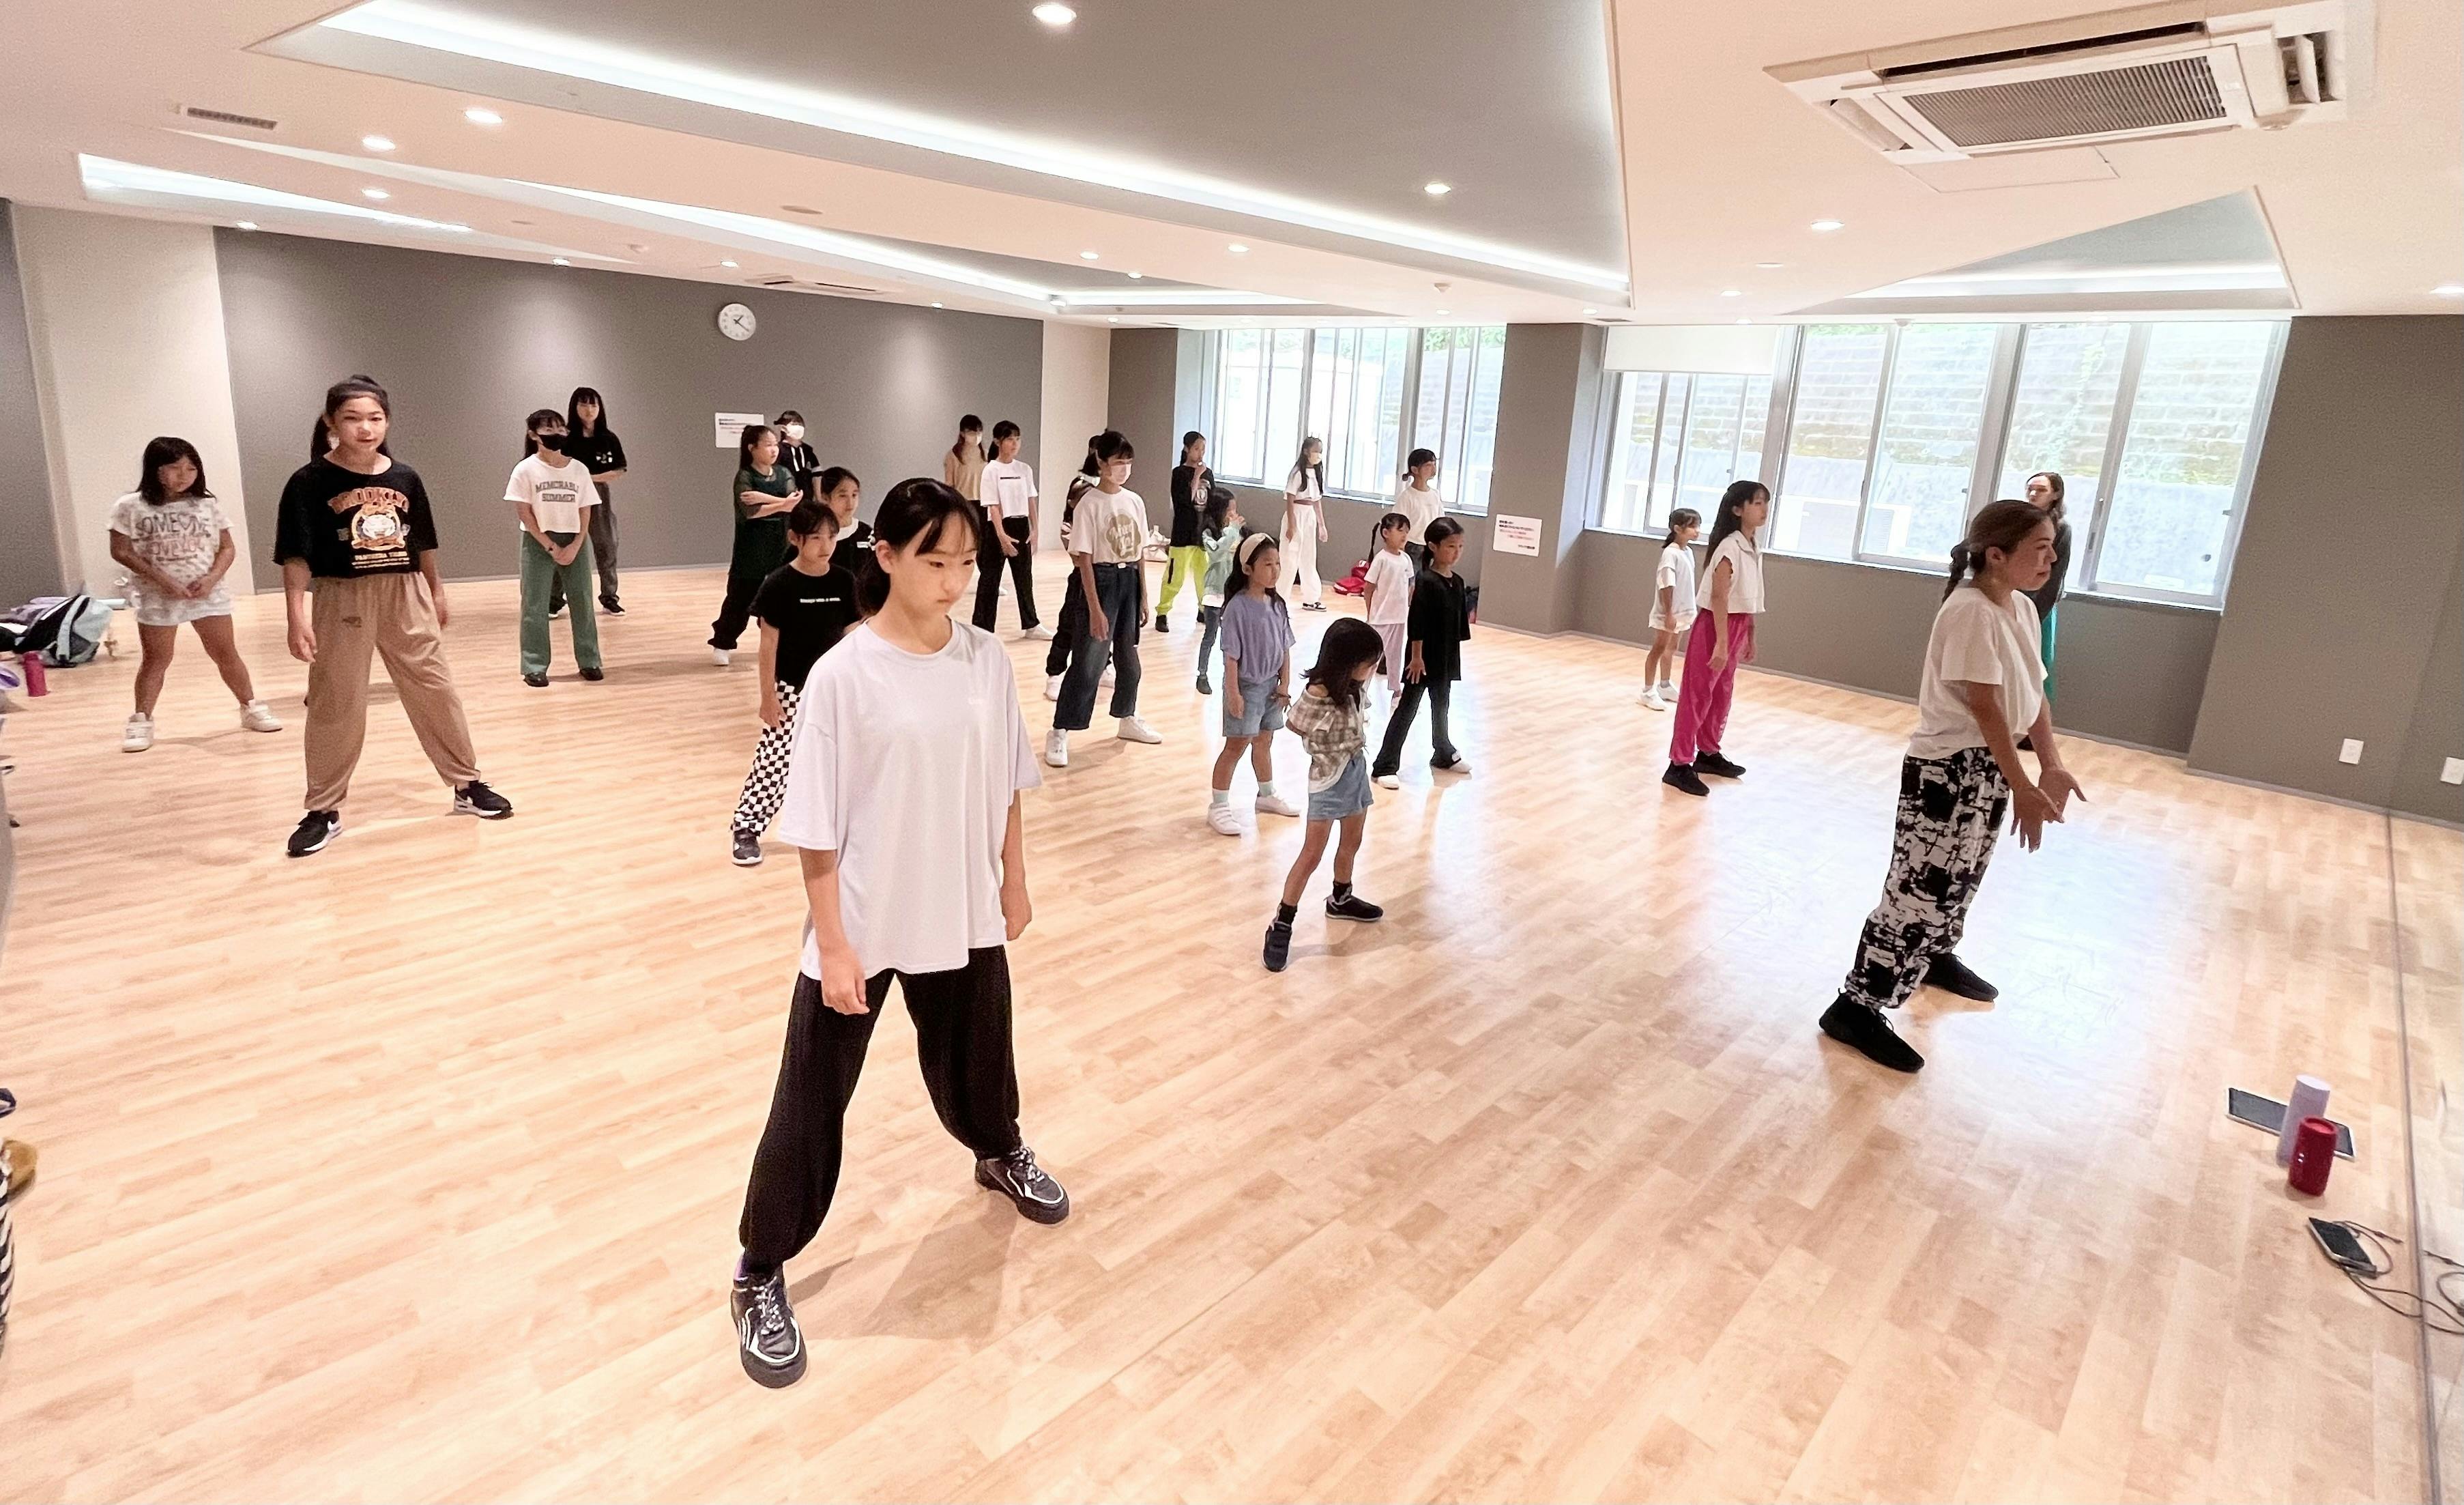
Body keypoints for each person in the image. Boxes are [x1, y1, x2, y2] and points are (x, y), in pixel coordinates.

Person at [729, 478, 1068, 1390]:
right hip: (865, 917)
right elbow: (814, 825)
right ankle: (759, 1266)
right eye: (935, 561)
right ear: (883, 556)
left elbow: (1006, 777)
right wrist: (835, 944)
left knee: (981, 1055)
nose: (954, 581)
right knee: (811, 1098)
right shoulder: (844, 674)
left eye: (967, 562)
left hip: (960, 903)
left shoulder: (984, 659)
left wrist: (1013, 876)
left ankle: (997, 1151)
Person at [1818, 500, 2086, 1074]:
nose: (2050, 559)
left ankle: (1933, 954)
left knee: (1962, 876)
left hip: (1988, 766)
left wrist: (2050, 763)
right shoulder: (1969, 611)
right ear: (1997, 554)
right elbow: (1985, 706)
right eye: (2039, 548)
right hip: (1947, 772)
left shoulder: (2020, 607)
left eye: (2052, 548)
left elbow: (2032, 693)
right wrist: (2021, 783)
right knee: (1916, 890)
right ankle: (1855, 1005)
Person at [274, 376, 511, 858]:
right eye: (352, 418)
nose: (365, 428)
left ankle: (466, 783)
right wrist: (296, 615)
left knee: (435, 688)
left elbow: (422, 541)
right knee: (337, 700)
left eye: (375, 418)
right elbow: (295, 554)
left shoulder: (405, 477)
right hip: (342, 596)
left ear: (387, 421)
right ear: (331, 422)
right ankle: (323, 809)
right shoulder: (308, 481)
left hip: (406, 591)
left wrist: (436, 590)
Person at [107, 436, 282, 752]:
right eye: (174, 468)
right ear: (155, 469)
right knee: (156, 660)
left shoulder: (207, 504)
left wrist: (212, 579)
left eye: (191, 468)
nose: (184, 475)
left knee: (226, 653)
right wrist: (162, 580)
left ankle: (250, 706)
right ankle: (141, 719)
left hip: (208, 595)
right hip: (158, 596)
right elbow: (121, 551)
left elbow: (227, 548)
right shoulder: (130, 506)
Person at [730, 500, 859, 868]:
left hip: (835, 691)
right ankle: (746, 828)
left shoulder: (844, 580)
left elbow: (853, 636)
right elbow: (767, 645)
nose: (826, 545)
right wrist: (767, 697)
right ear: (796, 539)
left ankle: (841, 830)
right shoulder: (779, 584)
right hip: (791, 689)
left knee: (842, 760)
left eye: (831, 537)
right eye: (816, 537)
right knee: (775, 760)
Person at [1263, 618, 1387, 971]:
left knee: (1352, 842)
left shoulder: (1354, 686)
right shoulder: (1318, 694)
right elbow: (1294, 723)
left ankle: (1341, 898)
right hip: (1327, 781)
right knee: (1312, 853)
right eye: (1370, 663)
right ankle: (1282, 921)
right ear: (1348, 662)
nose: (1373, 669)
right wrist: (1321, 737)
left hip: (1355, 771)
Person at [1045, 431, 1161, 766]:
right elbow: (1083, 559)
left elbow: (1139, 552)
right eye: (1117, 462)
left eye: (1128, 462)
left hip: (1129, 581)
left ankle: (1127, 716)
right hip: (1102, 579)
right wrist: (1095, 608)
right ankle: (1060, 729)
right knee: (1089, 661)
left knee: (1129, 658)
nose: (1124, 469)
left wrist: (1143, 596)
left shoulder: (1135, 501)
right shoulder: (1089, 503)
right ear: (1101, 462)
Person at [1662, 481, 1768, 797]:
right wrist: (1721, 643)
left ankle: (1707, 752)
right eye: (1757, 503)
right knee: (1697, 695)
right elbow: (1719, 597)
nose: (1764, 509)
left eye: (1765, 502)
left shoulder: (1752, 545)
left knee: (1721, 693)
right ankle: (1679, 764)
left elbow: (1746, 597)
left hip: (1735, 625)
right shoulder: (1729, 547)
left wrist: (1748, 634)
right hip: (1715, 625)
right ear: (1738, 509)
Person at [1206, 534, 1301, 836]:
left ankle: (1266, 794)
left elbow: (1285, 648)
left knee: (1264, 741)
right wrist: (1234, 694)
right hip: (1246, 687)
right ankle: (1219, 805)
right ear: (1248, 569)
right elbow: (1231, 658)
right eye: (1267, 564)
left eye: (1277, 564)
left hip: (1271, 688)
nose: (1275, 570)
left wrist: (1284, 684)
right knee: (1236, 745)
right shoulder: (1237, 608)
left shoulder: (1277, 604)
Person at [1370, 516, 1473, 786]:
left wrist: (1453, 659)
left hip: (1445, 658)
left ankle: (1443, 752)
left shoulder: (1458, 582)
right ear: (1433, 547)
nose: (1456, 552)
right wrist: (1416, 657)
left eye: (1460, 547)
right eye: (1451, 546)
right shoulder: (1426, 580)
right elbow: (1417, 622)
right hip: (1422, 659)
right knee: (1407, 709)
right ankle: (1385, 765)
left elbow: (1458, 626)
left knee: (1442, 707)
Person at [505, 408, 604, 687]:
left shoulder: (579, 469)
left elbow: (585, 509)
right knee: (535, 604)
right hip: (537, 541)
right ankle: (534, 665)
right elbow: (524, 512)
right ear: (534, 435)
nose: (556, 434)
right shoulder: (525, 469)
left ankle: (590, 660)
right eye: (549, 429)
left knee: (582, 601)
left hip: (575, 540)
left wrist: (576, 544)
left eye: (561, 428)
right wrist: (549, 545)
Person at [710, 425, 802, 666]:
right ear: (752, 448)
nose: (774, 449)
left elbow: (794, 502)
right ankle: (723, 642)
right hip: (751, 548)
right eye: (768, 445)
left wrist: (766, 499)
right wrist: (782, 504)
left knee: (781, 598)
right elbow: (750, 511)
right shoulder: (745, 476)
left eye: (775, 444)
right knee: (739, 599)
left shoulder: (783, 473)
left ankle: (782, 643)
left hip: (780, 546)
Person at [547, 386, 626, 617]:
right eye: (584, 404)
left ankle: (610, 597)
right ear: (575, 407)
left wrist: (589, 478)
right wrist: (578, 480)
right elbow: (556, 465)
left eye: (593, 405)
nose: (589, 410)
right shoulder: (566, 438)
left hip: (599, 496)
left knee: (607, 546)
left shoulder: (609, 439)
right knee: (566, 545)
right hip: (570, 497)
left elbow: (619, 469)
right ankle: (555, 600)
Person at [1041, 436, 1101, 700]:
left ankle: (1105, 665)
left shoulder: (1111, 494)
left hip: (1105, 572)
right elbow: (1068, 532)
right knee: (1068, 622)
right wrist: (1079, 556)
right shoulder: (1081, 488)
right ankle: (1055, 673)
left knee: (1104, 622)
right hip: (1082, 573)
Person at [973, 420, 1044, 637]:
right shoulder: (991, 470)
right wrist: (1002, 535)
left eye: (1018, 439)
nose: (1015, 444)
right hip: (996, 527)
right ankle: (982, 628)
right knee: (990, 579)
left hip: (1021, 525)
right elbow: (993, 505)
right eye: (1010, 439)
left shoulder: (1024, 469)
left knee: (1024, 578)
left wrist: (1035, 529)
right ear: (998, 441)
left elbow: (1031, 499)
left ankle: (1031, 624)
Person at [1639, 506, 1700, 711]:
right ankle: (1647, 690)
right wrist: (1669, 613)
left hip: (1682, 612)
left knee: (1671, 648)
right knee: (1659, 648)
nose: (1697, 531)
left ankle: (1664, 685)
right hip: (1669, 613)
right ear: (1678, 529)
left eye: (1697, 526)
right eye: (1692, 527)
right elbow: (1666, 584)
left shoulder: (1688, 552)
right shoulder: (1670, 554)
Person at [2021, 471, 2072, 715]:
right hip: (2013, 599)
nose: (2033, 494)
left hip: (2041, 605)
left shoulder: (2061, 529)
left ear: (2055, 494)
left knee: (2037, 663)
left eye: (2040, 490)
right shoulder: (2018, 523)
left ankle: (2034, 722)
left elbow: (2055, 576)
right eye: (2030, 488)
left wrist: (2035, 615)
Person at [1156, 430, 1213, 630]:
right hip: (1183, 534)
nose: (1200, 453)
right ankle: (1162, 612)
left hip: (1202, 534)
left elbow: (1213, 502)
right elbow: (1184, 501)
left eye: (1203, 449)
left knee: (1204, 577)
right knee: (1175, 577)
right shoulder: (1179, 473)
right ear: (1187, 449)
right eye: (1196, 449)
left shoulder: (1208, 473)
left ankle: (1203, 610)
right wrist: (1196, 475)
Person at [1193, 484, 1244, 695]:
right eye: (1230, 509)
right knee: (1210, 636)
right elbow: (1216, 553)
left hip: (1233, 595)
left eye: (1235, 509)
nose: (1233, 514)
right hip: (1214, 595)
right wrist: (1232, 531)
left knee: (1233, 639)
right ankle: (1202, 675)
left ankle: (1232, 677)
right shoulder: (1209, 533)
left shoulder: (1235, 532)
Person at [1361, 511, 1415, 704]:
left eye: (1407, 531)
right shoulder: (1381, 559)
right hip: (1381, 618)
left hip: (1399, 618)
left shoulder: (1406, 559)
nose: (1404, 535)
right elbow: (1368, 588)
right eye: (1400, 530)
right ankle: (1361, 692)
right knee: (1373, 657)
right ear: (1385, 533)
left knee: (1395, 655)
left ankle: (1396, 689)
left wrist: (1407, 606)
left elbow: (1410, 585)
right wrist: (1371, 613)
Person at [1281, 437, 1329, 610]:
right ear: (1306, 451)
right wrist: (1291, 525)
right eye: (1315, 451)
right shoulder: (1297, 473)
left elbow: (1316, 501)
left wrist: (1322, 525)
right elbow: (1290, 498)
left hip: (1309, 516)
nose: (1318, 455)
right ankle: (1280, 598)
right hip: (1296, 513)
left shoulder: (1316, 473)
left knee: (1309, 557)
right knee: (1290, 558)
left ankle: (1311, 598)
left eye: (1320, 451)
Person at [1393, 448, 1446, 571]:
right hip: (1412, 546)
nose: (1433, 469)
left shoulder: (1435, 494)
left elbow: (1440, 521)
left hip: (1431, 546)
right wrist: (1399, 547)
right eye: (1428, 465)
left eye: (1434, 464)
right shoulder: (1407, 496)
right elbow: (1398, 525)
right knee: (1412, 579)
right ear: (1415, 470)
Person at [819, 468, 871, 577]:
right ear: (825, 498)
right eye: (843, 496)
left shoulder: (867, 533)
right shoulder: (814, 535)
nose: (850, 503)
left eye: (854, 495)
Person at [942, 414, 987, 508]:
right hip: (963, 502)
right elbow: (949, 484)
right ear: (963, 434)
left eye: (979, 433)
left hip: (984, 503)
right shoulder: (953, 456)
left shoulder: (987, 455)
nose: (976, 437)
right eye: (971, 434)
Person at [776, 410, 820, 497]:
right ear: (784, 428)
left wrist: (819, 497)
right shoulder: (778, 450)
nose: (798, 427)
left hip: (806, 497)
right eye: (794, 424)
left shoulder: (807, 450)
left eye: (800, 424)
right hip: (784, 497)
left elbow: (817, 473)